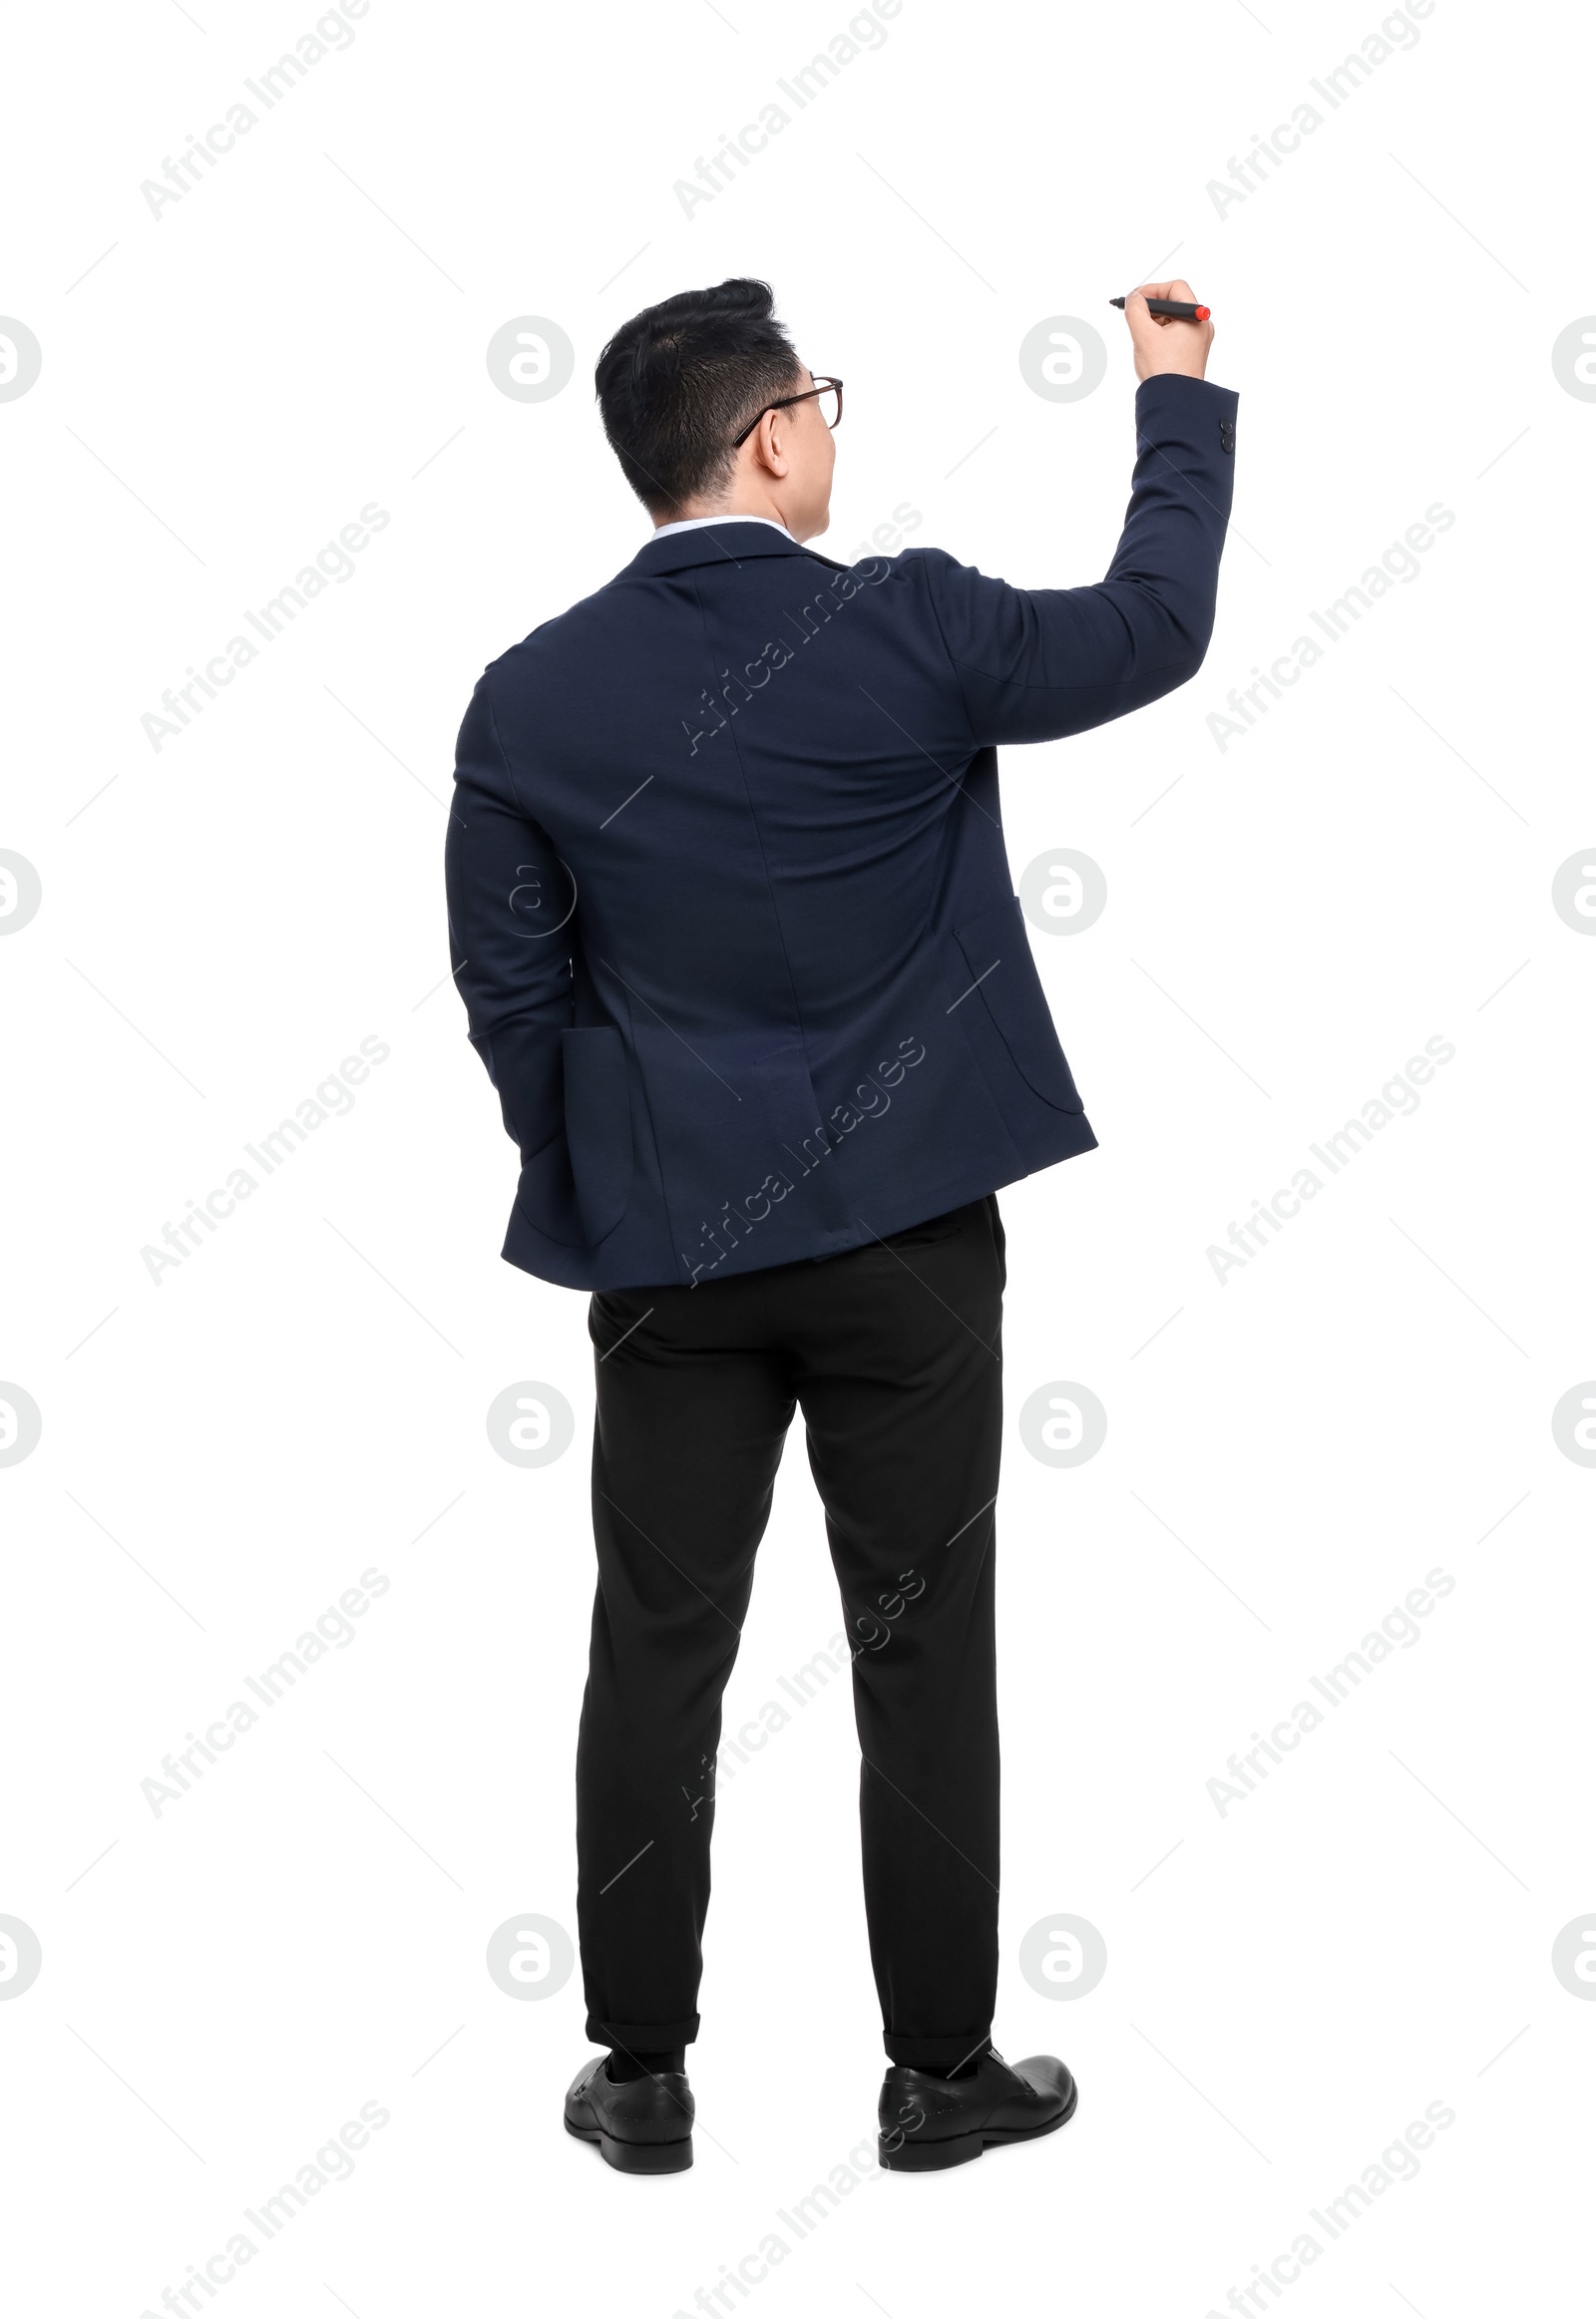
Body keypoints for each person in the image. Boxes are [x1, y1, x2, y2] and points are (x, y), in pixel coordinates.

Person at [444, 276, 1235, 2173]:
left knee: (656, 1642)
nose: (833, 427)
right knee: (922, 1637)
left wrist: (609, 1179)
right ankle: (938, 2074)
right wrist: (1177, 397)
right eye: (822, 399)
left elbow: (508, 990)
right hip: (906, 1246)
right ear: (774, 436)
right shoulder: (914, 624)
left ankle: (639, 2073)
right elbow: (1157, 625)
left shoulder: (530, 694)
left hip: (670, 1257)